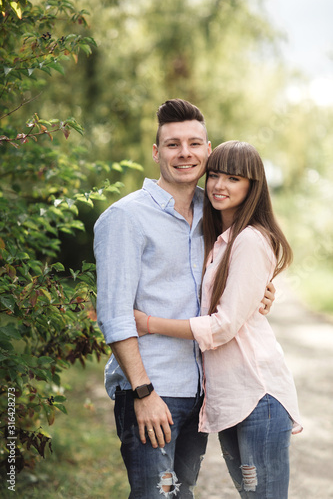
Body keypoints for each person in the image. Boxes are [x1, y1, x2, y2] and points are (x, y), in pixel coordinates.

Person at [93, 100, 275, 498]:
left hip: (200, 392)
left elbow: (232, 275)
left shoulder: (212, 212)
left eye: (194, 143)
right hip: (153, 390)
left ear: (208, 151)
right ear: (156, 153)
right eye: (172, 144)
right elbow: (114, 314)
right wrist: (143, 393)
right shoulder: (126, 218)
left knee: (182, 493)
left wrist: (261, 291)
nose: (184, 153)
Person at [134, 140, 303, 499]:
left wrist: (148, 323)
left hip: (258, 395)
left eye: (234, 178)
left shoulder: (250, 240)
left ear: (252, 187)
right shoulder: (217, 239)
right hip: (231, 398)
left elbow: (223, 325)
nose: (219, 186)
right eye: (215, 175)